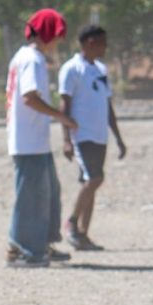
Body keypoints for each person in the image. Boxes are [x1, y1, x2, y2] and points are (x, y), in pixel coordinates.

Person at [4, 8, 78, 268]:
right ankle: (24, 249)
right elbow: (29, 98)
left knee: (48, 193)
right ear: (47, 33)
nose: (58, 42)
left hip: (33, 140)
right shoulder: (33, 60)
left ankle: (41, 243)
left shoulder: (23, 57)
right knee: (31, 196)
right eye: (57, 36)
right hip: (28, 141)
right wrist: (61, 116)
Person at [59, 25, 126, 251]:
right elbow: (64, 105)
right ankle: (71, 222)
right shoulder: (71, 69)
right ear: (90, 42)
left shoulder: (100, 69)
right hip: (82, 134)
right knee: (94, 179)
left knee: (90, 183)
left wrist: (118, 137)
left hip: (100, 135)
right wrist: (66, 138)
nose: (105, 46)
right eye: (102, 42)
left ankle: (83, 235)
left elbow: (107, 106)